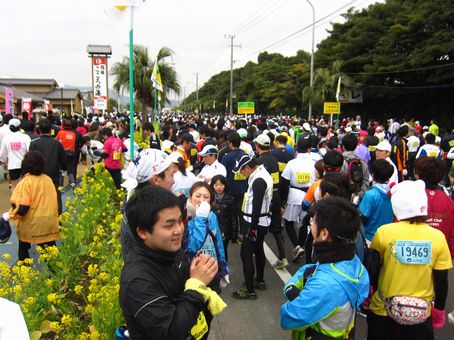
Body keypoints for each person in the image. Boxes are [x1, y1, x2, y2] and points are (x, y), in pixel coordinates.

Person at [120, 186, 226, 339]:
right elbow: (171, 332)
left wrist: (201, 274)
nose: (179, 230)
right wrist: (196, 285)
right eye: (169, 225)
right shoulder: (137, 280)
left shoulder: (172, 252)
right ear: (142, 232)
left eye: (179, 221)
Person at [367, 180, 452, 340]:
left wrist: (368, 294)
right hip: (419, 313)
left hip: (383, 309)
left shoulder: (384, 232)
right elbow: (442, 280)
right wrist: (439, 309)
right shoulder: (437, 237)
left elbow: (373, 268)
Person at [280, 197, 369, 339]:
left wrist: (293, 290)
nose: (311, 224)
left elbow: (288, 318)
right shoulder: (354, 263)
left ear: (324, 233)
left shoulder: (325, 284)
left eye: (313, 220)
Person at [120, 148, 178, 259]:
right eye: (171, 175)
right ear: (156, 179)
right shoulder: (145, 213)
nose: (174, 181)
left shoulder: (136, 202)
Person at [2, 151, 60, 260]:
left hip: (32, 224)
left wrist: (8, 215)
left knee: (23, 247)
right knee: (51, 253)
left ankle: (24, 271)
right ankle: (58, 275)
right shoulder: (48, 180)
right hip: (50, 223)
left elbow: (22, 208)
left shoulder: (25, 182)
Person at [231, 155, 273, 300]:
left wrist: (252, 229)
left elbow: (257, 206)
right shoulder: (261, 173)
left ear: (248, 167)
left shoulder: (258, 180)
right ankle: (259, 280)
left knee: (246, 254)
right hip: (260, 221)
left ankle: (249, 290)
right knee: (258, 249)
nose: (242, 174)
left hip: (255, 222)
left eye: (242, 171)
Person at [185, 182, 229, 293]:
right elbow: (192, 246)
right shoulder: (185, 217)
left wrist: (223, 267)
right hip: (192, 271)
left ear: (211, 201)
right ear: (190, 198)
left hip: (211, 268)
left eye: (206, 197)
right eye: (197, 196)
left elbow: (218, 242)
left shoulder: (212, 216)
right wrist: (200, 217)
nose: (201, 200)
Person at [280, 137, 316, 262]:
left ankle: (296, 246)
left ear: (297, 148)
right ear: (309, 149)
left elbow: (284, 183)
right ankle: (300, 245)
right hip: (309, 196)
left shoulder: (292, 163)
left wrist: (282, 201)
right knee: (303, 224)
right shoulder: (314, 163)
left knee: (289, 223)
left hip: (294, 195)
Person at [255, 134, 287, 269]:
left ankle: (257, 254)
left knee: (259, 227)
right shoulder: (274, 159)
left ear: (257, 146)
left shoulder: (259, 162)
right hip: (276, 195)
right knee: (276, 228)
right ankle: (283, 256)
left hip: (265, 198)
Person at [414, 157, 454, 257]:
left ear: (418, 174)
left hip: (415, 251)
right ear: (441, 177)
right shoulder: (448, 201)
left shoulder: (412, 197)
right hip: (440, 251)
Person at [30, 119, 67, 214]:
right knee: (56, 196)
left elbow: (31, 160)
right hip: (53, 175)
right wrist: (63, 169)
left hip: (38, 175)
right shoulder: (57, 143)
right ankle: (58, 218)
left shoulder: (33, 143)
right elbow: (63, 159)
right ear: (51, 130)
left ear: (39, 130)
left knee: (39, 197)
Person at [358, 159, 395, 244]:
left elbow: (363, 218)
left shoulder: (371, 195)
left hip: (370, 238)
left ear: (373, 175)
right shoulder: (394, 193)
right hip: (388, 237)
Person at [221, 132, 247, 243]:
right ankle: (243, 234)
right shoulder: (246, 156)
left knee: (232, 213)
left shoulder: (226, 157)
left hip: (231, 189)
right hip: (244, 188)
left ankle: (234, 236)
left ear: (230, 143)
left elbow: (223, 173)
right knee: (242, 212)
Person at [0, 118, 31, 191]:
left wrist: (4, 162)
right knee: (25, 186)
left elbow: (2, 155)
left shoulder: (6, 138)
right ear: (19, 127)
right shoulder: (25, 137)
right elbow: (30, 150)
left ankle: (15, 202)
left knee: (14, 186)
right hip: (24, 165)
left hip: (12, 165)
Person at [210, 175, 234, 261]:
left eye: (221, 185)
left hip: (225, 231)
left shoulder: (230, 198)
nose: (219, 187)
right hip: (212, 230)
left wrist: (233, 235)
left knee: (223, 251)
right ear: (212, 186)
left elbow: (233, 217)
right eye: (216, 185)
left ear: (225, 185)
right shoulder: (209, 198)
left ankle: (223, 271)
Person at [55, 119, 78, 188]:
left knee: (62, 170)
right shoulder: (73, 134)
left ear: (63, 125)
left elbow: (56, 141)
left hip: (63, 153)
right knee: (70, 170)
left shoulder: (60, 133)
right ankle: (73, 184)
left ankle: (61, 186)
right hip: (72, 153)